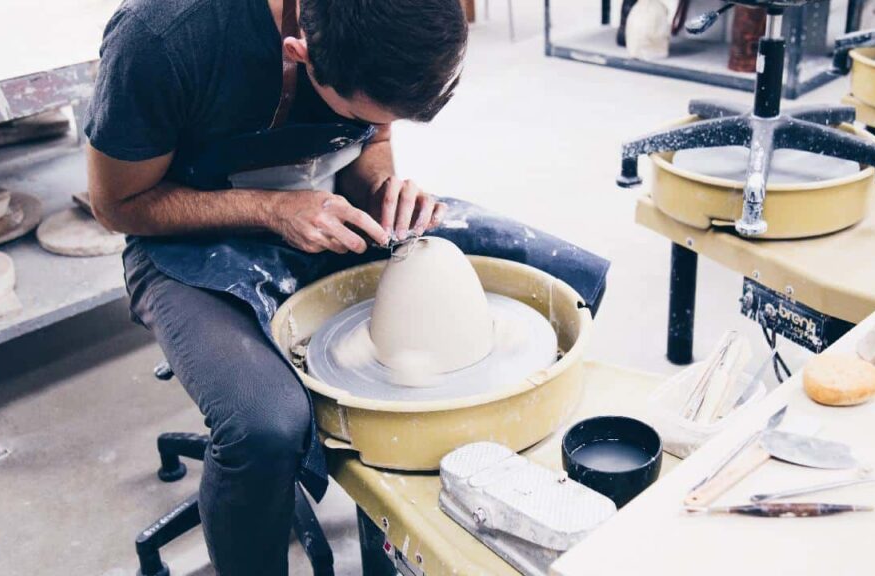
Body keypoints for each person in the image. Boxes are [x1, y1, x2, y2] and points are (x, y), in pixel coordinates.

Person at [85, 0, 609, 573]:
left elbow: (373, 139)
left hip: (332, 210)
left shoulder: (383, 26)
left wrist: (383, 186)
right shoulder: (161, 37)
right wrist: (273, 211)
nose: (373, 125)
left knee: (562, 277)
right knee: (265, 426)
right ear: (298, 54)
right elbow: (118, 204)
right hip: (186, 240)